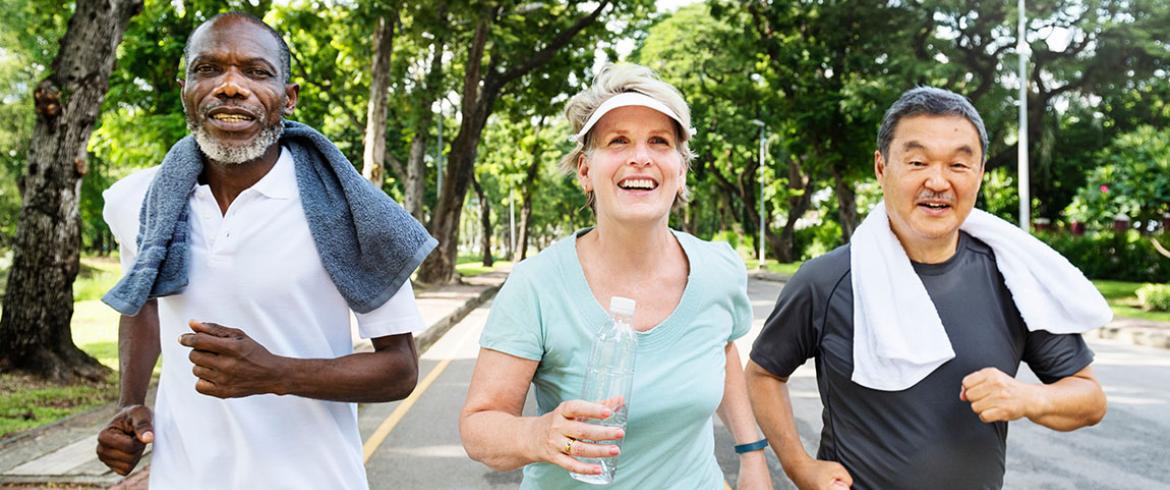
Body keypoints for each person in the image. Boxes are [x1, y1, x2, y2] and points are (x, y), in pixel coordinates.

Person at [94, 12, 436, 489]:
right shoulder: (138, 200)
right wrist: (129, 403)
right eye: (208, 69)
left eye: (256, 72)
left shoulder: (351, 212)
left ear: (288, 97)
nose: (230, 86)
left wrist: (275, 373)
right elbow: (143, 303)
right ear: (184, 87)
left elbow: (399, 369)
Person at [746, 86, 1109, 489]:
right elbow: (763, 374)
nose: (937, 181)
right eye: (917, 162)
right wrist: (798, 465)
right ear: (882, 168)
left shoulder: (1013, 277)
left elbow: (1090, 399)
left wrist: (1028, 398)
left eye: (958, 165)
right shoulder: (827, 280)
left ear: (980, 173)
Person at [459, 64, 772, 489]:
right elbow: (479, 426)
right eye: (618, 141)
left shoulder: (719, 269)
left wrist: (751, 453)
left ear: (680, 172)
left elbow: (722, 351)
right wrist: (537, 434)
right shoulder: (536, 284)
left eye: (659, 142)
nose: (639, 156)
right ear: (586, 172)